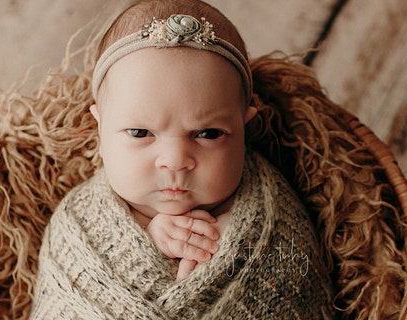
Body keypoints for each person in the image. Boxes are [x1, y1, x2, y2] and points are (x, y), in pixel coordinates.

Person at [30, 0, 334, 318]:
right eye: (139, 132)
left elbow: (294, 282)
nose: (175, 160)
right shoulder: (80, 220)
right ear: (100, 129)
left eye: (208, 134)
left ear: (244, 130)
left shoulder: (273, 221)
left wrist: (229, 258)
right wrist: (149, 240)